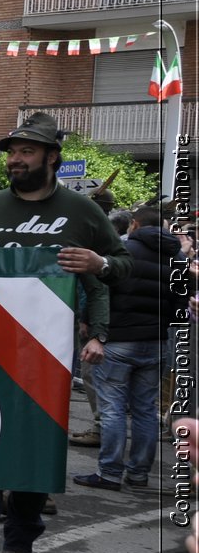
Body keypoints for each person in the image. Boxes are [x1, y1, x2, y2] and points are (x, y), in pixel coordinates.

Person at [0, 112, 131, 553]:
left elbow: (124, 265)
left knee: (33, 451)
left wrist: (99, 261)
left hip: (45, 356)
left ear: (52, 157)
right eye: (12, 152)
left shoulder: (83, 210)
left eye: (27, 151)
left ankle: (21, 546)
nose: (16, 160)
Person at [73, 205, 188, 491]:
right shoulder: (178, 257)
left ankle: (109, 472)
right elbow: (179, 305)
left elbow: (100, 291)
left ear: (134, 225)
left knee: (112, 410)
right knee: (146, 410)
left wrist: (89, 323)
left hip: (118, 340)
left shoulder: (122, 252)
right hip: (156, 342)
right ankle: (138, 473)